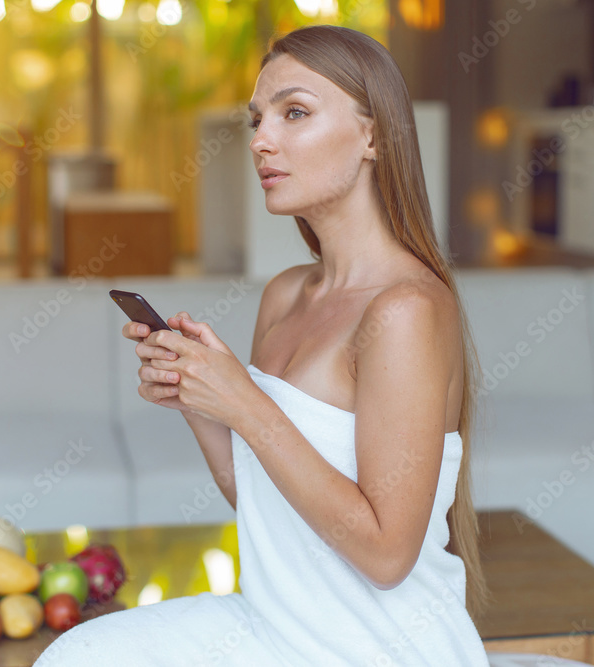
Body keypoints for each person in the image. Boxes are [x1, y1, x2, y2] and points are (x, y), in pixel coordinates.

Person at [35, 24, 489, 666]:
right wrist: (201, 400)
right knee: (73, 657)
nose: (260, 141)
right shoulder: (285, 296)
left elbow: (387, 556)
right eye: (256, 120)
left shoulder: (406, 311)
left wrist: (244, 403)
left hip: (377, 648)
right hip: (276, 625)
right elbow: (261, 503)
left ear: (373, 136)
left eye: (294, 113)